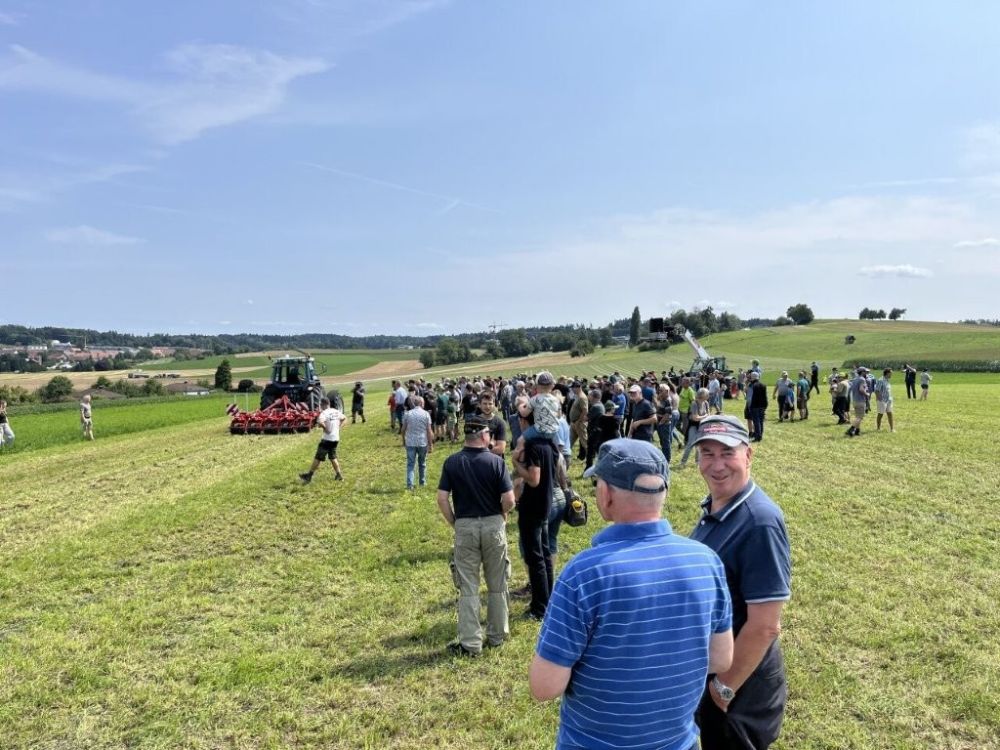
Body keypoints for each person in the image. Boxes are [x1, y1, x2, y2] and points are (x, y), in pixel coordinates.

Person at [529, 438, 734, 750]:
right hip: (678, 742)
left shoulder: (584, 574)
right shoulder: (706, 561)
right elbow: (720, 658)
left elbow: (545, 686)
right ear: (663, 493)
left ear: (606, 493)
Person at [688, 415, 792, 750]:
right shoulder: (718, 506)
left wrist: (722, 690)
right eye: (707, 453)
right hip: (719, 676)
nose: (716, 465)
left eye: (727, 453)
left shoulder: (759, 522)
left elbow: (765, 626)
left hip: (739, 690)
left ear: (748, 455)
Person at [436, 414, 516, 656]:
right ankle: (497, 635)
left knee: (468, 586)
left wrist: (455, 522)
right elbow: (510, 499)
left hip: (465, 526)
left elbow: (442, 498)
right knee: (497, 583)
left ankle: (471, 643)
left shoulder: (452, 462)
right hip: (493, 525)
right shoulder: (496, 462)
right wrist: (501, 514)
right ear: (483, 435)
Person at [512, 406, 559, 621]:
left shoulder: (532, 446)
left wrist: (515, 463)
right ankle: (548, 599)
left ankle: (539, 608)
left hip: (532, 506)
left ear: (525, 422)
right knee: (545, 553)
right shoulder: (549, 443)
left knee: (535, 557)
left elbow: (533, 479)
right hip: (546, 502)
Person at [299, 397, 346, 482]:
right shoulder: (336, 411)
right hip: (335, 439)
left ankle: (309, 476)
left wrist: (326, 428)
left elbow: (320, 422)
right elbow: (344, 418)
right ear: (329, 403)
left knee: (318, 458)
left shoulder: (324, 413)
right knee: (333, 457)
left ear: (323, 404)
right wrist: (339, 427)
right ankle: (339, 475)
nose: (320, 406)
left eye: (321, 405)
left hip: (327, 440)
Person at [402, 395, 434, 489]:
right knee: (422, 463)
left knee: (410, 464)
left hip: (410, 442)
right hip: (422, 442)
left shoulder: (408, 414)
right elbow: (429, 431)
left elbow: (403, 429)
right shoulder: (426, 414)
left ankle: (410, 484)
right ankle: (422, 482)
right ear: (421, 403)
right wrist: (430, 444)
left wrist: (403, 440)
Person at [679, 387, 711, 466]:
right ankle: (683, 462)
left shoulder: (706, 403)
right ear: (703, 395)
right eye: (707, 394)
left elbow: (709, 415)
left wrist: (703, 417)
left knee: (699, 444)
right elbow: (695, 418)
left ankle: (697, 462)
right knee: (690, 444)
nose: (708, 396)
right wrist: (705, 416)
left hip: (702, 425)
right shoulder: (694, 403)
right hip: (693, 425)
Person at [846, 367, 869, 437]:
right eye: (865, 371)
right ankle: (851, 429)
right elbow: (861, 389)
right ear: (862, 372)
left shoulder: (855, 379)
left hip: (855, 400)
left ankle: (857, 431)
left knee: (857, 417)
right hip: (860, 400)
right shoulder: (862, 379)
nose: (866, 373)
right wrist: (866, 394)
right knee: (860, 417)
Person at [747, 372, 768, 442]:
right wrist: (766, 405)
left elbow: (749, 398)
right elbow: (765, 396)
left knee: (756, 422)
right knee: (761, 421)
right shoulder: (763, 385)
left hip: (754, 405)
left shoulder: (752, 385)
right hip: (762, 405)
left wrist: (749, 406)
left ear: (752, 377)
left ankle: (758, 437)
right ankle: (760, 435)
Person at [875, 368, 895, 432]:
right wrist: (880, 399)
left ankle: (892, 429)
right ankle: (878, 428)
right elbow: (877, 390)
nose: (892, 374)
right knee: (880, 414)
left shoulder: (887, 380)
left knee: (890, 413)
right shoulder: (880, 380)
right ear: (887, 373)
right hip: (882, 401)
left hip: (889, 400)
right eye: (891, 373)